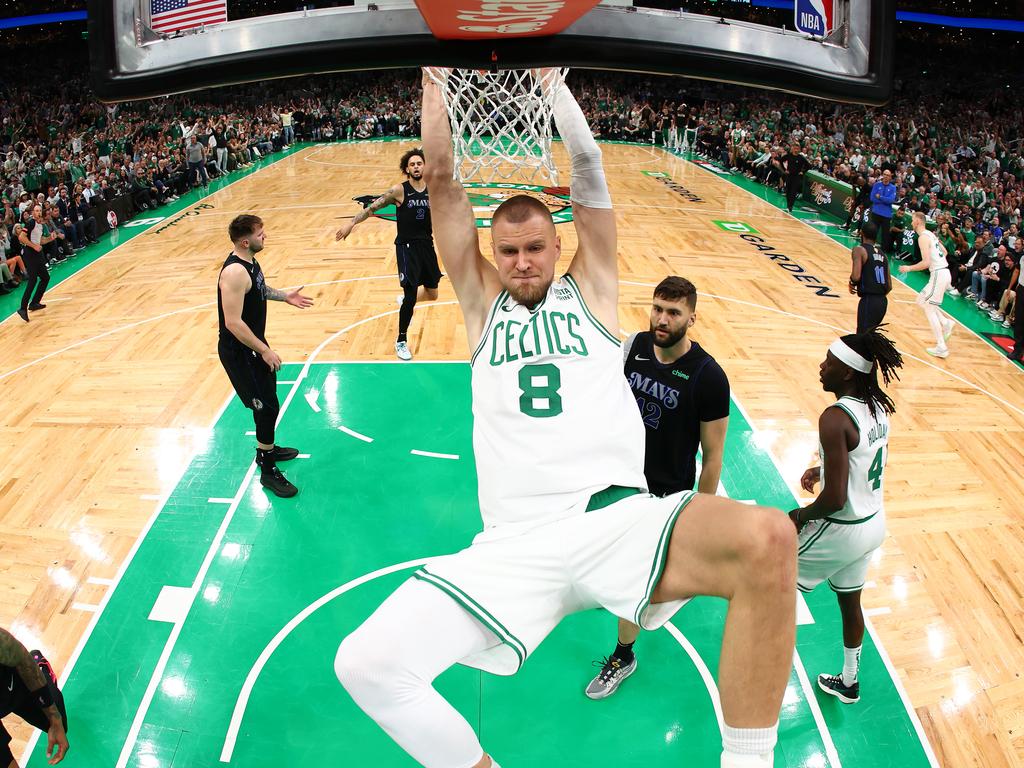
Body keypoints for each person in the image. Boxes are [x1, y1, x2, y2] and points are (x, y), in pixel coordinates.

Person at [335, 68, 796, 768]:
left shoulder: (594, 290)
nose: (522, 263)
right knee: (365, 664)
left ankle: (749, 761)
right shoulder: (481, 305)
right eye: (509, 251)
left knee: (769, 538)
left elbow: (588, 167)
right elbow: (444, 185)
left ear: (556, 248)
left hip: (614, 517)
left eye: (535, 248)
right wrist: (434, 84)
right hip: (514, 545)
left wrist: (555, 93)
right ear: (495, 254)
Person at [585, 275, 731, 700]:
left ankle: (623, 654)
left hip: (663, 496)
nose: (661, 320)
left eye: (672, 313)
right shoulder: (633, 349)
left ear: (692, 317)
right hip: (618, 481)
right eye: (657, 309)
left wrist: (700, 519)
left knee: (634, 581)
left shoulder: (708, 377)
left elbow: (713, 455)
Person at [790, 327, 903, 705]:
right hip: (874, 524)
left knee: (771, 577)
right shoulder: (876, 408)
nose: (822, 367)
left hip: (844, 528)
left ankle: (758, 671)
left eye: (830, 363)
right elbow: (861, 459)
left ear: (849, 373)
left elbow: (836, 499)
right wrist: (821, 469)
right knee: (850, 602)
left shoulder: (834, 418)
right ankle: (850, 681)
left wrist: (801, 514)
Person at [217, 214, 313, 498]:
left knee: (269, 402)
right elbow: (232, 323)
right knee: (265, 407)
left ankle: (266, 447)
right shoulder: (234, 273)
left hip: (253, 346)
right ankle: (267, 467)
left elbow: (258, 290)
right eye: (260, 234)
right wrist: (264, 350)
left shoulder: (250, 263)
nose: (265, 237)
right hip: (240, 352)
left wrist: (285, 296)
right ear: (245, 241)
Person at [335, 148, 441, 361]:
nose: (416, 167)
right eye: (412, 164)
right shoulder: (399, 191)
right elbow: (372, 208)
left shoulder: (433, 190)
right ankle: (401, 340)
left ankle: (404, 300)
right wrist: (351, 223)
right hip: (406, 248)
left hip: (427, 246)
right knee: (411, 296)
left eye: (419, 163)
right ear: (406, 169)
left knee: (432, 294)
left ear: (425, 166)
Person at [0, 627, 69, 766]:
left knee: (59, 723)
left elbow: (23, 661)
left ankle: (41, 667)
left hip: (18, 685)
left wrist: (54, 718)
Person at [899, 212, 954, 358]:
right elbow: (944, 251)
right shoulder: (930, 234)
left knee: (929, 307)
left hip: (938, 274)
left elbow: (926, 263)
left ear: (917, 221)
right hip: (943, 272)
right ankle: (945, 322)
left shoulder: (923, 237)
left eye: (912, 220)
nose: (911, 223)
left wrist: (908, 268)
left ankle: (941, 346)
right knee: (921, 300)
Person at [849, 220, 891, 334]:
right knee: (870, 336)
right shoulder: (883, 254)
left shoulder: (859, 250)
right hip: (883, 301)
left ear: (861, 233)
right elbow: (889, 286)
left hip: (869, 300)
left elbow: (856, 276)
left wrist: (851, 283)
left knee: (862, 336)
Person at [16, 207, 56, 323]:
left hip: (38, 253)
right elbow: (21, 237)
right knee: (32, 280)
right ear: (33, 213)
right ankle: (22, 308)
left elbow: (41, 241)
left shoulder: (40, 225)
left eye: (40, 211)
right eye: (36, 211)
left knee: (45, 277)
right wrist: (34, 246)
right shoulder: (31, 223)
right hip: (30, 254)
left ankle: (34, 303)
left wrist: (50, 238)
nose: (38, 213)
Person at [869, 169, 897, 253]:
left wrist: (880, 197)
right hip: (876, 212)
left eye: (888, 175)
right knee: (873, 230)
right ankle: (869, 246)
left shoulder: (893, 187)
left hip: (886, 214)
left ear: (890, 177)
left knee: (885, 234)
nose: (886, 176)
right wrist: (884, 200)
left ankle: (883, 251)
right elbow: (872, 198)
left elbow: (891, 200)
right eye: (884, 174)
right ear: (882, 175)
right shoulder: (876, 185)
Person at [783, 142, 809, 212]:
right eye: (795, 148)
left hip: (796, 177)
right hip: (789, 176)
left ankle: (790, 207)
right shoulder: (789, 155)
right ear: (792, 148)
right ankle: (788, 206)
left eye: (797, 149)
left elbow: (809, 166)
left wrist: (802, 172)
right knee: (787, 191)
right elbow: (781, 160)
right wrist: (784, 169)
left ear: (799, 149)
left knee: (793, 192)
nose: (796, 150)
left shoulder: (801, 158)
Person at [1008, 246, 1024, 362]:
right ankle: (1017, 350)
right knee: (1019, 321)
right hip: (1022, 289)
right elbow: (1017, 271)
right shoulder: (1022, 257)